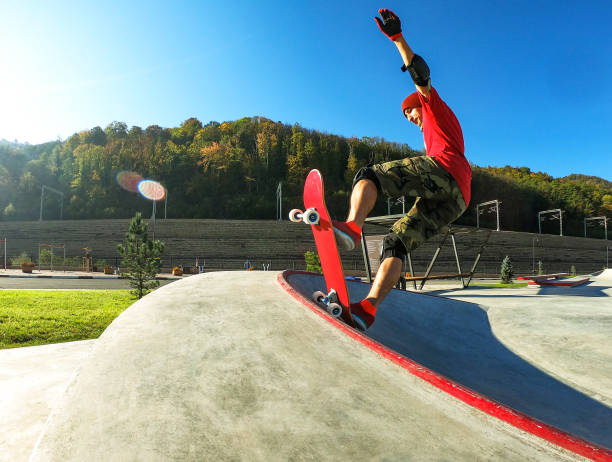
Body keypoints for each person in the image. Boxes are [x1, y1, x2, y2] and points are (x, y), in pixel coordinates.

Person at [332, 8, 472, 331]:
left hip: (446, 169)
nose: (410, 117)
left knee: (369, 175)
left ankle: (353, 228)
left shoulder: (431, 104)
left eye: (409, 111)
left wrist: (398, 40)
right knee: (395, 242)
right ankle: (368, 309)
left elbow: (420, 73)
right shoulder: (434, 133)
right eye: (407, 115)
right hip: (458, 199)